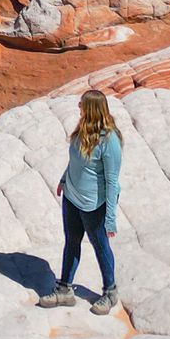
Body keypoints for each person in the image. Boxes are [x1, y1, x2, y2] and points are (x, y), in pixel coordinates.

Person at [38, 87, 121, 312]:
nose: (78, 107)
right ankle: (64, 289)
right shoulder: (83, 130)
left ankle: (110, 292)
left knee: (100, 246)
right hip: (72, 198)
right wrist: (64, 180)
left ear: (92, 109)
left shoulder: (109, 140)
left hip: (94, 205)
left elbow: (112, 182)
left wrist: (111, 218)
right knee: (71, 241)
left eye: (82, 104)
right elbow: (75, 160)